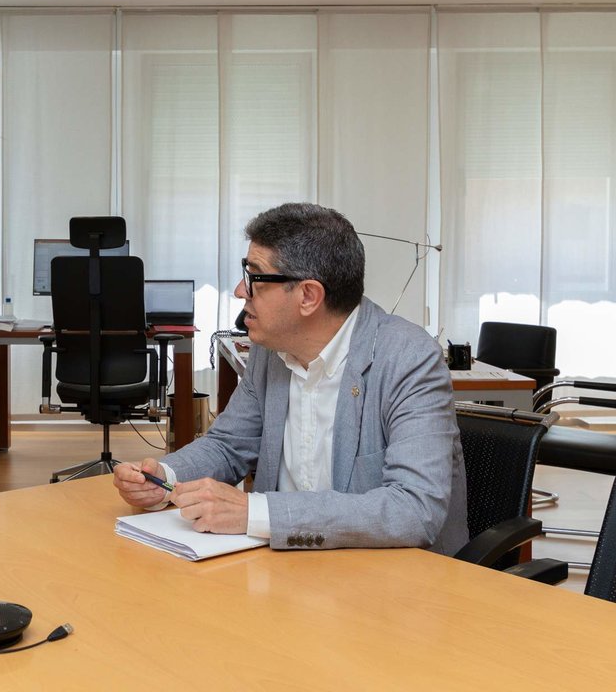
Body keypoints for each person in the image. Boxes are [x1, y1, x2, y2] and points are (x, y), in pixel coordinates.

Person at [114, 203, 468, 554]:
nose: (240, 291)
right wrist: (164, 476)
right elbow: (228, 445)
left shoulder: (409, 359)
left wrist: (255, 513)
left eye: (254, 277)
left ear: (308, 296)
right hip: (285, 575)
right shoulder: (271, 350)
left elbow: (414, 510)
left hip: (391, 585)